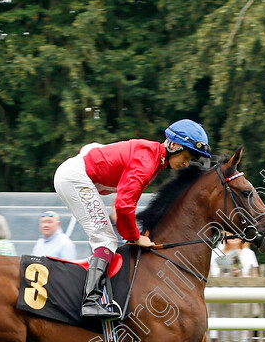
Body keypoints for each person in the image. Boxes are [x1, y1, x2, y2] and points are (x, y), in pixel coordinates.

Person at [53, 119, 212, 318]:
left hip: (76, 175)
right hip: (74, 178)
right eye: (187, 156)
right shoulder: (148, 161)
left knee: (107, 237)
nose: (187, 163)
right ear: (173, 145)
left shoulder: (153, 157)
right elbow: (124, 205)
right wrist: (135, 237)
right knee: (105, 239)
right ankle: (90, 301)